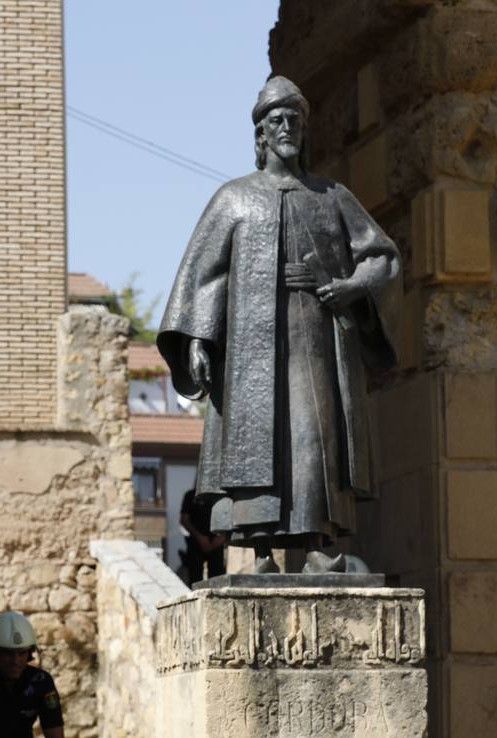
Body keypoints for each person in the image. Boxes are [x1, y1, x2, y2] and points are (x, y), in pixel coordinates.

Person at [156, 74, 402, 575]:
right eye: (277, 120)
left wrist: (349, 287)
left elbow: (381, 256)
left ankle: (316, 542)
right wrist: (200, 339)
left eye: (295, 120)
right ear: (261, 135)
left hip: (312, 340)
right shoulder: (234, 199)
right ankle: (259, 547)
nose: (287, 127)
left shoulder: (331, 197)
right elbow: (205, 276)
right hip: (249, 349)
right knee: (253, 439)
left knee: (313, 435)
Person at [180, 487, 226, 585]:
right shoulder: (191, 495)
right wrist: (200, 538)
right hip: (196, 544)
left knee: (217, 581)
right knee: (195, 579)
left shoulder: (222, 496)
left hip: (217, 543)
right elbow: (184, 519)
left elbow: (229, 517)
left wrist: (221, 538)